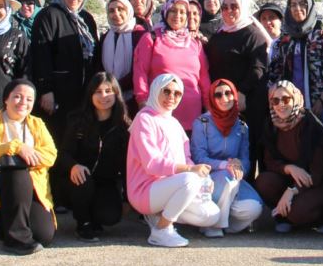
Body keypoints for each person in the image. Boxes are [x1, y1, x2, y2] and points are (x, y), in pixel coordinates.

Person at [128, 73, 222, 247]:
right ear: (156, 90)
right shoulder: (144, 119)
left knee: (212, 215)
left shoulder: (174, 123)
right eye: (166, 91)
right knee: (190, 180)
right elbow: (152, 164)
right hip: (145, 190)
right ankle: (162, 229)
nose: (171, 97)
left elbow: (186, 158)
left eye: (177, 93)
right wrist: (190, 171)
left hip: (172, 186)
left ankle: (160, 214)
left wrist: (203, 177)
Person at [0, 79, 56, 255]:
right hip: (2, 182)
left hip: (33, 184)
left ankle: (5, 225)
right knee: (16, 172)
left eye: (29, 99)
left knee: (44, 235)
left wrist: (28, 157)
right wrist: (16, 147)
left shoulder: (36, 123)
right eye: (17, 97)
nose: (23, 103)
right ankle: (16, 239)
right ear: (6, 99)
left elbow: (51, 155)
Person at [254, 80, 323, 233]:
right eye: (275, 100)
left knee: (298, 212)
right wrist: (289, 168)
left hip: (319, 182)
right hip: (293, 178)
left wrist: (291, 191)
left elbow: (317, 173)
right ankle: (284, 215)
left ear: (296, 99)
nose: (281, 104)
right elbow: (269, 162)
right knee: (263, 182)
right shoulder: (271, 125)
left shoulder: (310, 125)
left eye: (286, 99)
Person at [58, 72, 130, 241]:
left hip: (106, 183)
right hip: (77, 181)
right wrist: (73, 166)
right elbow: (63, 154)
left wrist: (127, 197)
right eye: (98, 91)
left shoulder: (124, 126)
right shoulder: (77, 120)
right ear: (90, 94)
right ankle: (83, 223)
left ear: (116, 94)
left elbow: (128, 164)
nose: (103, 96)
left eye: (108, 91)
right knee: (83, 178)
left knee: (111, 216)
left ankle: (94, 218)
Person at [29, 0, 99, 142]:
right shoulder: (48, 15)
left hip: (82, 94)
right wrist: (46, 91)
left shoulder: (86, 19)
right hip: (58, 95)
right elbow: (41, 55)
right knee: (55, 138)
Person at [204, 0, 270, 166]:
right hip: (223, 102)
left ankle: (251, 187)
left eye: (234, 6)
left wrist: (241, 92)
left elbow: (259, 67)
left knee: (248, 147)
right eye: (225, 7)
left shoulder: (252, 35)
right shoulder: (219, 35)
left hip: (248, 102)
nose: (228, 11)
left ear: (243, 8)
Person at [191, 79, 264, 236]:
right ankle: (213, 225)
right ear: (212, 98)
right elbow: (198, 157)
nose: (224, 98)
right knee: (227, 177)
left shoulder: (242, 126)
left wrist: (240, 166)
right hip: (208, 178)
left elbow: (246, 159)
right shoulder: (201, 123)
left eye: (228, 93)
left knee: (254, 207)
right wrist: (225, 165)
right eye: (218, 95)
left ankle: (222, 224)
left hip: (232, 180)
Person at [268, 0, 323, 133]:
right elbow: (276, 69)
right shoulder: (285, 37)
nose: (297, 8)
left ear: (310, 6)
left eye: (302, 4)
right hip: (291, 104)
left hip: (319, 102)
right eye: (293, 5)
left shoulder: (322, 32)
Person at [133, 0, 212, 129]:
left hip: (192, 115)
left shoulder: (195, 43)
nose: (177, 15)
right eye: (173, 11)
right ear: (165, 12)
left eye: (182, 12)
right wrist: (142, 100)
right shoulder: (151, 38)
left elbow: (203, 78)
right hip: (160, 114)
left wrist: (210, 108)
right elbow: (140, 71)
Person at [94, 0, 137, 100]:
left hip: (131, 95)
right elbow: (99, 65)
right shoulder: (105, 37)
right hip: (108, 96)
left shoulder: (138, 35)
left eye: (120, 9)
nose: (116, 14)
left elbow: (138, 69)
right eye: (111, 11)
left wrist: (116, 86)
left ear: (129, 11)